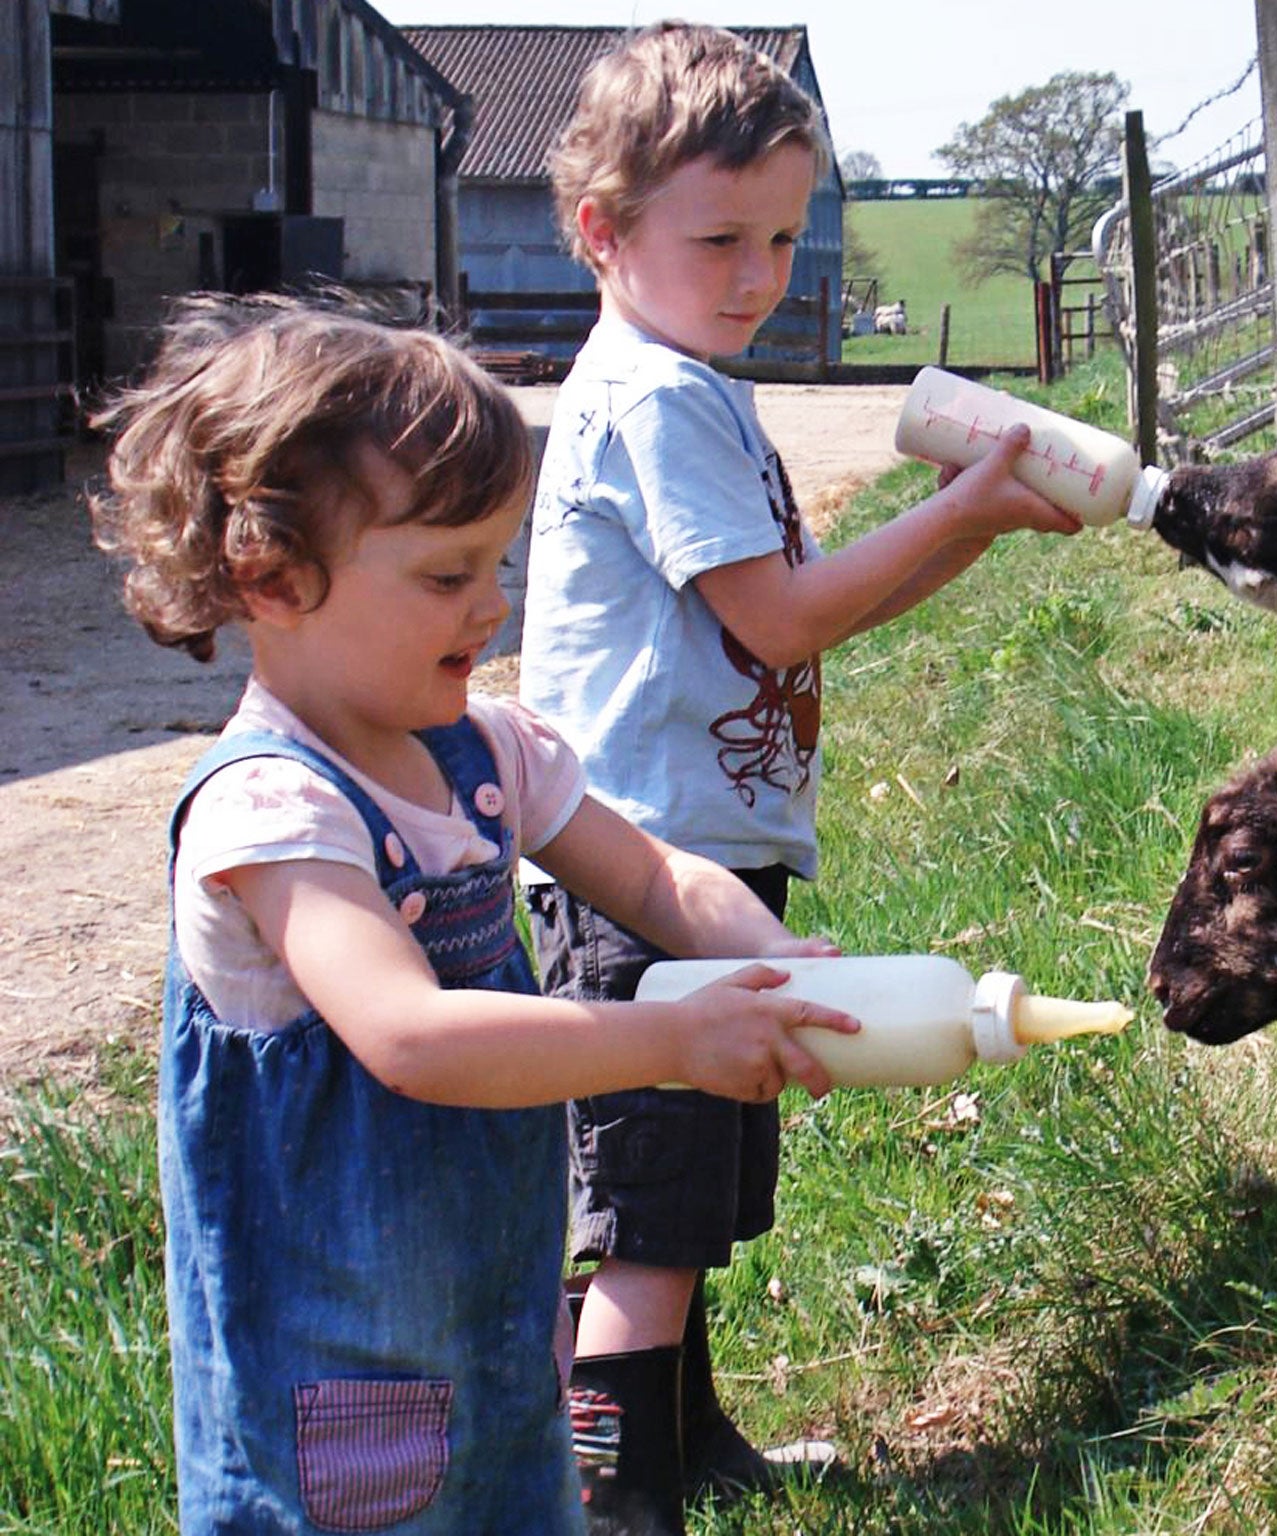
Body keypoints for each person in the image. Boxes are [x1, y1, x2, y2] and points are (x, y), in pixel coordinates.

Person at [91, 294, 860, 1536]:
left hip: (487, 1337)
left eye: (496, 562)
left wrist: (775, 961)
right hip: (329, 1396)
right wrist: (672, 1042)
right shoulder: (273, 813)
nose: (490, 605)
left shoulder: (481, 752)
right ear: (272, 577)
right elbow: (408, 1034)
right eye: (447, 574)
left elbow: (659, 880)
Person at [520, 21, 1081, 1529]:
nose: (760, 276)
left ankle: (688, 1446)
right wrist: (965, 515)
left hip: (689, 852)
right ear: (602, 231)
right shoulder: (657, 397)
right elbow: (782, 617)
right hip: (636, 865)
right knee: (648, 1208)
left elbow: (805, 597)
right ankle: (613, 1498)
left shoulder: (688, 378)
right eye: (720, 239)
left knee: (688, 1198)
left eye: (781, 237)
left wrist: (965, 523)